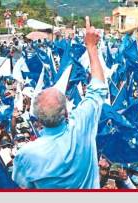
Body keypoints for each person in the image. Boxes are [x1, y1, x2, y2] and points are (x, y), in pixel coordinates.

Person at [11, 16, 108, 189]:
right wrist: (91, 47)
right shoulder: (81, 127)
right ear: (66, 113)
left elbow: (23, 187)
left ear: (38, 121)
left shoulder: (26, 155)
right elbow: (98, 88)